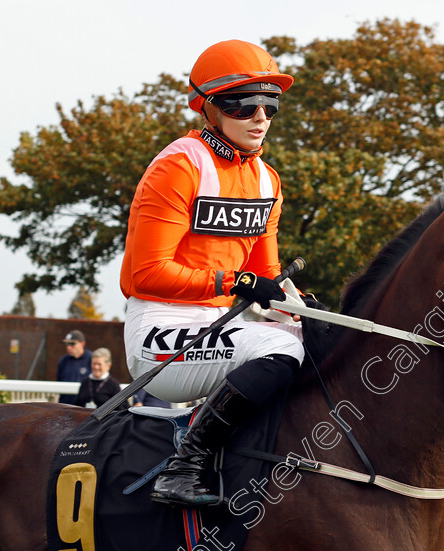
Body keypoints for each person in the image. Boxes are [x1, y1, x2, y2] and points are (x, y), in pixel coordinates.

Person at [120, 40, 306, 508]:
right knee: (281, 346)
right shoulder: (179, 166)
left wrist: (304, 309)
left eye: (270, 105)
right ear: (209, 109)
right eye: (244, 105)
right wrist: (232, 282)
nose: (260, 117)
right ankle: (184, 465)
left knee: (314, 339)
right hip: (160, 333)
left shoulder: (268, 179)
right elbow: (145, 275)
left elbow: (266, 274)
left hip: (223, 327)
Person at [56, 330, 92, 405]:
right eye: (67, 344)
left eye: (72, 344)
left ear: (82, 344)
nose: (68, 347)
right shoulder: (63, 361)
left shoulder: (92, 359)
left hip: (84, 407)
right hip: (65, 405)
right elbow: (59, 381)